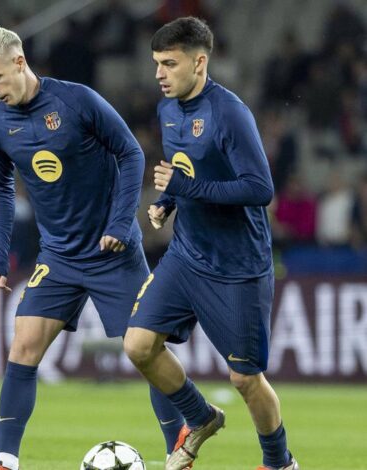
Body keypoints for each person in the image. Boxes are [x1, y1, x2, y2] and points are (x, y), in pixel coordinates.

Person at [0, 25, 183, 470]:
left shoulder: (75, 101)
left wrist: (121, 223)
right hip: (59, 257)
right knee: (23, 346)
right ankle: (5, 459)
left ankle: (177, 454)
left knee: (147, 351)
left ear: (19, 63)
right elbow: (1, 187)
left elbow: (131, 154)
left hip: (113, 253)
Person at [123, 17, 299, 470]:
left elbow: (260, 189)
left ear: (200, 62)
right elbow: (185, 170)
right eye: (156, 64)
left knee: (244, 378)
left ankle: (279, 462)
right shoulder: (167, 109)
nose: (159, 74)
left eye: (169, 63)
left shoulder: (229, 113)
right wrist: (166, 201)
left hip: (238, 265)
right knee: (139, 345)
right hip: (187, 254)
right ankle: (200, 418)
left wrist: (185, 188)